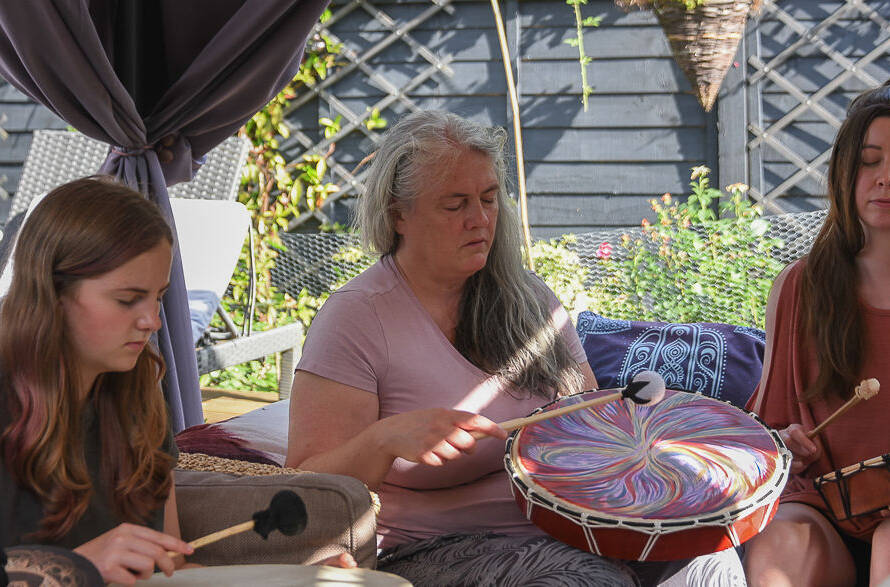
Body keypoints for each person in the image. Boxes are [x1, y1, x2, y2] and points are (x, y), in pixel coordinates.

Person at [286, 110, 744, 586]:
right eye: (454, 204)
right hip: (429, 548)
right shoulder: (357, 317)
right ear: (399, 213)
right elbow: (306, 482)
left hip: (575, 527)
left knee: (711, 558)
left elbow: (592, 419)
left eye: (488, 199)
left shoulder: (530, 299)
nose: (479, 219)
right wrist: (382, 440)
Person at [0, 177, 193, 585]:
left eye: (157, 296)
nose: (152, 322)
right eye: (127, 299)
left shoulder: (138, 391)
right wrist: (73, 569)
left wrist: (291, 578)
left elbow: (173, 567)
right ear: (53, 291)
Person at [745, 82, 890, 586]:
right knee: (780, 545)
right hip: (821, 505)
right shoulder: (800, 287)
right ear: (845, 175)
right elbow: (765, 427)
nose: (884, 179)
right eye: (869, 162)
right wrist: (785, 441)